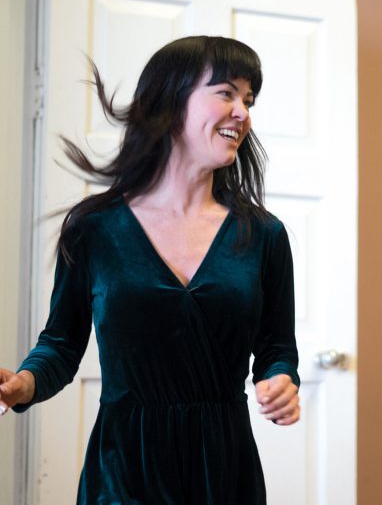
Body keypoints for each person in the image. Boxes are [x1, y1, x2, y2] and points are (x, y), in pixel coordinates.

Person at [0, 35, 300, 504]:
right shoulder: (93, 228)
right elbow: (60, 344)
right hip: (123, 471)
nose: (243, 112)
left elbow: (277, 347)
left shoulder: (264, 235)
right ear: (170, 100)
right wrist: (23, 385)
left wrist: (281, 379)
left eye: (249, 99)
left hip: (224, 469)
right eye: (226, 93)